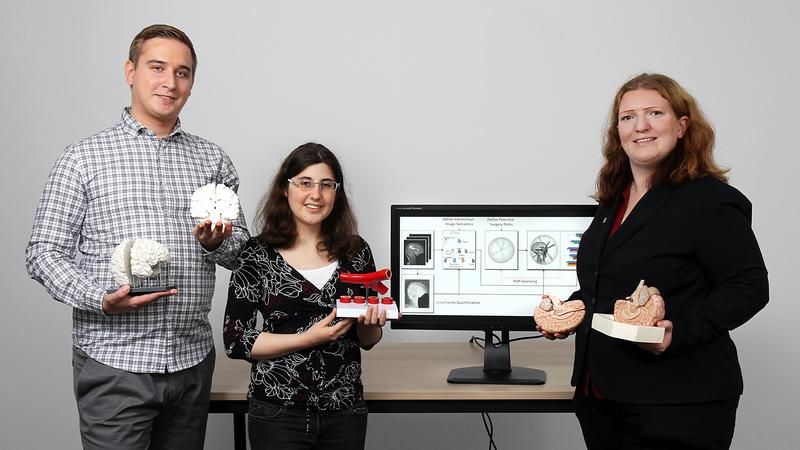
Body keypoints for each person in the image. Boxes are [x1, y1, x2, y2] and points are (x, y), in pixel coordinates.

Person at [25, 24, 248, 449]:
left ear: (193, 82)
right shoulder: (83, 158)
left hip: (191, 362)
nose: (170, 82)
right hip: (114, 364)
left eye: (182, 72)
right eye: (157, 67)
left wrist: (217, 244)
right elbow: (42, 252)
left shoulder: (213, 159)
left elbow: (244, 253)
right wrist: (100, 298)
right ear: (130, 71)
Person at [539, 73, 768, 449]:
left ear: (681, 126)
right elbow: (608, 284)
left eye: (654, 113)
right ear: (618, 132)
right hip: (602, 397)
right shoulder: (614, 201)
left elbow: (749, 287)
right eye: (627, 117)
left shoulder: (709, 200)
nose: (640, 125)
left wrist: (677, 331)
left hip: (677, 402)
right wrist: (570, 312)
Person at [223, 142, 386, 450]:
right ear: (286, 189)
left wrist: (371, 321)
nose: (316, 194)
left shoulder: (356, 250)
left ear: (336, 193)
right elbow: (236, 340)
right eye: (305, 183)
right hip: (277, 410)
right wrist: (306, 339)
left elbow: (367, 340)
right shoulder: (256, 254)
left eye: (326, 185)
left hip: (345, 409)